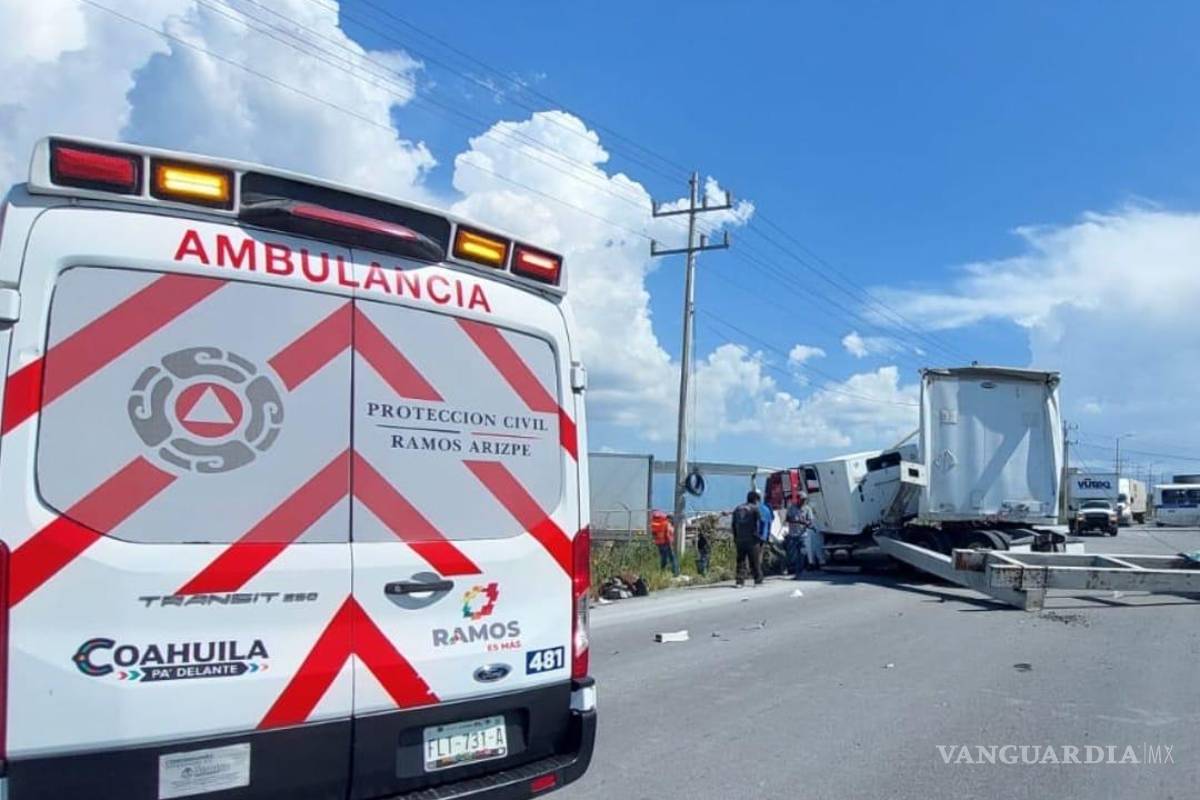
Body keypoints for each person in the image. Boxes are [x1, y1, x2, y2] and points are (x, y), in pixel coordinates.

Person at [731, 491, 766, 586]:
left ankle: (739, 581)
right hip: (752, 539)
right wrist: (760, 536)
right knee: (754, 561)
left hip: (740, 539)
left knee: (741, 561)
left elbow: (733, 525)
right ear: (755, 499)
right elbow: (760, 522)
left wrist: (735, 537)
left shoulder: (737, 509)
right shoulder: (754, 509)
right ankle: (758, 579)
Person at [785, 493, 816, 579]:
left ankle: (800, 572)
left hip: (803, 535)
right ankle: (796, 571)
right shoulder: (792, 508)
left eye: (804, 500)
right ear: (798, 499)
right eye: (802, 500)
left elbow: (810, 520)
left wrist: (807, 523)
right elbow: (787, 518)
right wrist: (798, 521)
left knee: (802, 553)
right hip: (793, 534)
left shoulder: (807, 509)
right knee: (794, 555)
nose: (803, 502)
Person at [650, 510, 679, 576]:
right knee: (672, 558)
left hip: (659, 543)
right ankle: (675, 573)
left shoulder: (656, 524)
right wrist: (670, 543)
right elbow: (667, 535)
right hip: (666, 543)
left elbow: (654, 534)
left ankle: (662, 572)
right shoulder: (666, 524)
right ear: (669, 519)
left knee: (663, 558)